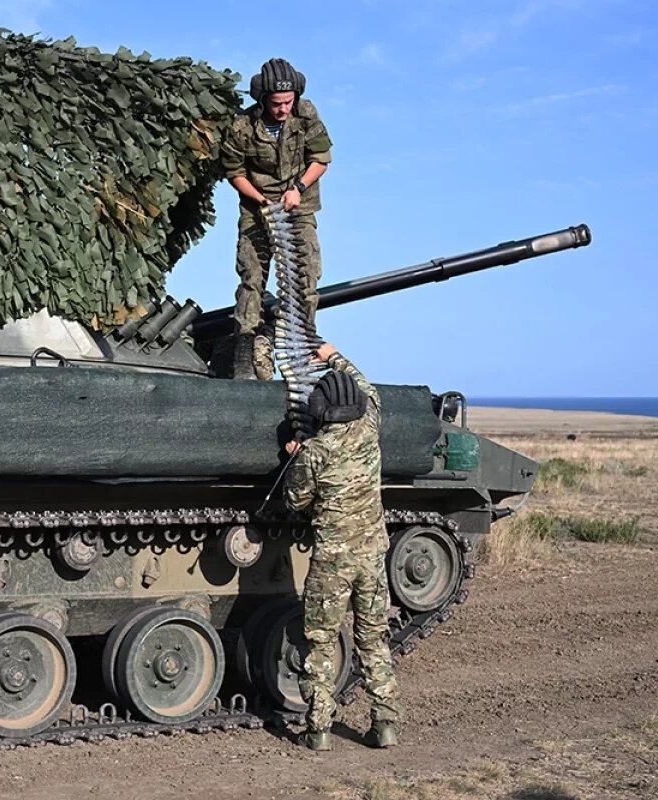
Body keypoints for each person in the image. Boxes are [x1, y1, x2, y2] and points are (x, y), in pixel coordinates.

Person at [283, 343, 401, 751]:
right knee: (373, 641)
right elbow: (369, 390)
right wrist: (334, 356)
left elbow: (295, 502)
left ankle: (318, 730)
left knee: (319, 642)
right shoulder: (370, 431)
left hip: (331, 562)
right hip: (372, 557)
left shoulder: (315, 452)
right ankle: (385, 724)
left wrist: (297, 457)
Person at [220, 58, 333, 380]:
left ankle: (303, 346)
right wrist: (259, 199)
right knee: (252, 277)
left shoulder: (306, 114)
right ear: (262, 99)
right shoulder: (243, 125)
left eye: (288, 102)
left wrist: (297, 189)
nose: (283, 109)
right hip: (257, 208)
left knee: (305, 278)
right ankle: (245, 351)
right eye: (276, 104)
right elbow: (234, 171)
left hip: (298, 206)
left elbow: (321, 159)